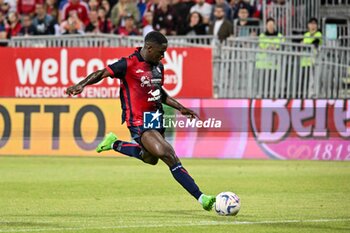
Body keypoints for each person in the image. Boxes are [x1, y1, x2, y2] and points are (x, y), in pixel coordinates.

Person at [65, 31, 216, 211]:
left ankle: (115, 144)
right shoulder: (128, 64)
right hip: (138, 121)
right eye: (161, 52)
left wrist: (180, 107)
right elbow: (101, 73)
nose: (163, 56)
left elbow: (158, 92)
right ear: (149, 48)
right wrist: (81, 84)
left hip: (155, 118)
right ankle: (202, 198)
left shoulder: (158, 67)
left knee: (150, 158)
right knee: (167, 154)